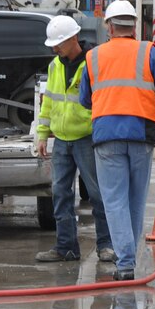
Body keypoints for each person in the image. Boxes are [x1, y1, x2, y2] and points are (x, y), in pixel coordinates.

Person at [79, 0, 155, 281]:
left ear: (109, 26)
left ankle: (126, 263)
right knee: (135, 199)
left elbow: (84, 100)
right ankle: (131, 259)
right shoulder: (149, 53)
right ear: (133, 27)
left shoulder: (93, 57)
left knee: (114, 200)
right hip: (141, 134)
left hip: (106, 135)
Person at [34, 15, 116, 265]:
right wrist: (42, 134)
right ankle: (66, 247)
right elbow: (48, 102)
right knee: (60, 193)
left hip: (87, 138)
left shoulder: (93, 64)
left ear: (73, 39)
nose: (55, 48)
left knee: (97, 194)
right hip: (61, 140)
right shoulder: (54, 66)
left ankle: (106, 245)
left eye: (58, 43)